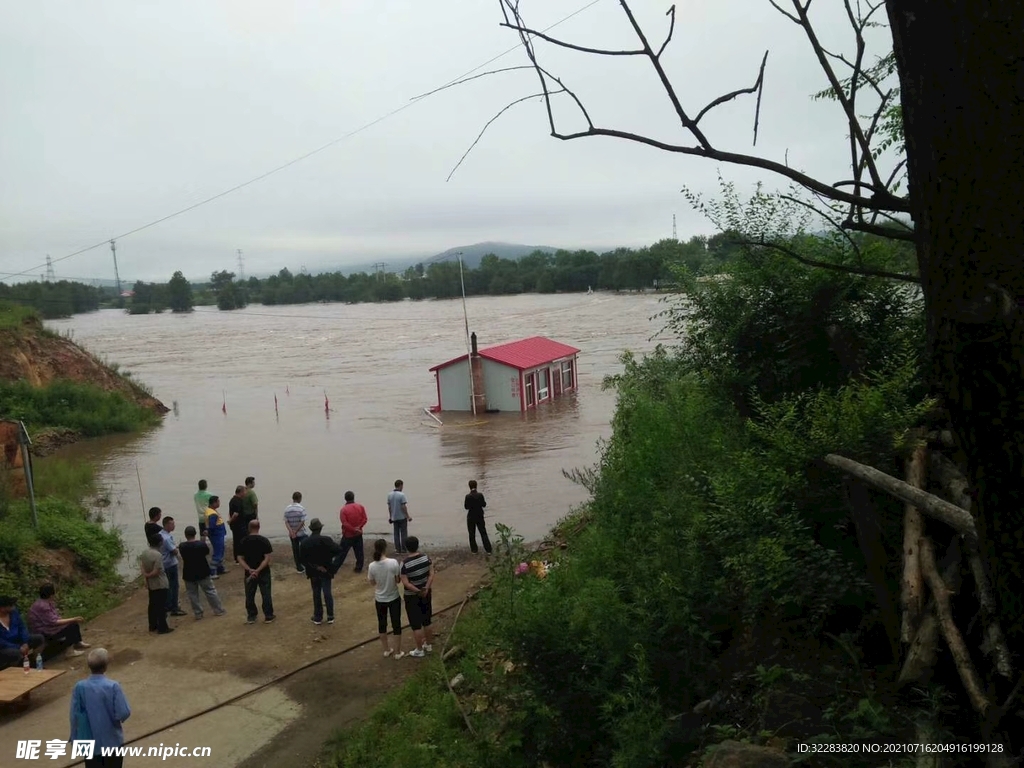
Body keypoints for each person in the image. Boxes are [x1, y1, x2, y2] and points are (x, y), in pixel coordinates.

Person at [69, 648, 131, 768]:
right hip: (111, 741)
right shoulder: (113, 686)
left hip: (90, 743)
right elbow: (123, 712)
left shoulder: (79, 687)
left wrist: (74, 736)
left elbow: (74, 715)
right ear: (105, 666)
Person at [28, 583, 91, 659]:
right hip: (44, 631)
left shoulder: (46, 602)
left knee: (72, 623)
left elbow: (55, 617)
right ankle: (69, 651)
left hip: (48, 627)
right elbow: (53, 622)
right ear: (51, 595)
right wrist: (73, 619)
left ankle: (77, 642)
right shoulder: (42, 606)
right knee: (71, 626)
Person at [179, 526, 226, 620]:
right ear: (195, 534)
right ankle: (218, 610)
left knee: (192, 594)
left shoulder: (182, 546)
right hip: (202, 571)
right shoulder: (201, 545)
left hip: (189, 572)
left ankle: (198, 613)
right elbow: (206, 552)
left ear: (185, 535)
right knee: (210, 591)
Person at [300, 518, 340, 625]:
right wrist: (329, 559)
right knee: (327, 592)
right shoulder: (326, 540)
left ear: (311, 529)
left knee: (316, 593)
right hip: (326, 570)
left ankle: (318, 617)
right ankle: (330, 616)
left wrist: (315, 567)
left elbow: (302, 560)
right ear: (320, 529)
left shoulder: (304, 542)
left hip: (313, 572)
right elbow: (338, 550)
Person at [368, 539, 403, 659]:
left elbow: (372, 583)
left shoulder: (372, 566)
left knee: (382, 624)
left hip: (380, 598)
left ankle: (386, 649)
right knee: (396, 624)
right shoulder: (393, 562)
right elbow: (398, 580)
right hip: (393, 597)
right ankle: (398, 651)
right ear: (385, 548)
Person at [399, 536, 434, 658]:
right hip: (426, 593)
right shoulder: (426, 558)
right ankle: (428, 645)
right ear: (417, 545)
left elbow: (405, 582)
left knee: (415, 624)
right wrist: (426, 588)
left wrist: (417, 591)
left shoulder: (404, 564)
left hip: (412, 596)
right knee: (427, 620)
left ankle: (419, 649)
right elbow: (431, 574)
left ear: (407, 548)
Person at [240, 519, 275, 624]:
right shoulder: (264, 540)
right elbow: (267, 558)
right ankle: (268, 615)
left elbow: (240, 558)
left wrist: (249, 569)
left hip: (249, 573)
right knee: (266, 593)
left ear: (249, 528)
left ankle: (251, 616)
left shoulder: (243, 541)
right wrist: (258, 570)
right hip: (263, 571)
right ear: (259, 528)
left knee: (250, 594)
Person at [138, 535, 172, 634]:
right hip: (160, 582)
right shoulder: (158, 555)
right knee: (161, 605)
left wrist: (146, 576)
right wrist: (150, 574)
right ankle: (162, 627)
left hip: (151, 583)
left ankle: (152, 625)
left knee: (152, 604)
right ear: (160, 543)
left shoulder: (144, 553)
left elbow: (142, 566)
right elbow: (157, 571)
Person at [0, 595, 45, 670]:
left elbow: (22, 627)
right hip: (4, 647)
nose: (13, 607)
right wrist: (17, 647)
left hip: (18, 640)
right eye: (10, 605)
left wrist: (25, 642)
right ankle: (16, 670)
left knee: (39, 638)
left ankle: (36, 662)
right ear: (2, 608)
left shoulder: (14, 613)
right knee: (15, 653)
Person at [159, 516, 186, 616]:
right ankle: (174, 607)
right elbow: (174, 551)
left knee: (167, 586)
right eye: (172, 524)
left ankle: (168, 605)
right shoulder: (166, 538)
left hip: (163, 563)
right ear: (166, 525)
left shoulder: (160, 535)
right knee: (174, 586)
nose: (174, 525)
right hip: (170, 564)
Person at [336, 490, 368, 573]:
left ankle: (335, 567)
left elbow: (344, 523)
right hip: (358, 533)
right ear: (353, 497)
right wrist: (359, 527)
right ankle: (359, 568)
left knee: (341, 553)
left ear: (345, 499)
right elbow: (365, 519)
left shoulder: (343, 510)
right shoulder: (360, 507)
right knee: (359, 552)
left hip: (348, 535)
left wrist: (353, 529)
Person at [464, 479, 493, 555]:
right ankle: (488, 550)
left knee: (472, 533)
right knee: (483, 532)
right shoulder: (480, 495)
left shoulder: (467, 496)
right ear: (476, 486)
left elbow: (466, 507)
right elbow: (484, 504)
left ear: (469, 487)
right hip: (479, 515)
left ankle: (474, 550)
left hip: (471, 517)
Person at [284, 491, 309, 574]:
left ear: (293, 498)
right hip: (301, 533)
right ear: (300, 498)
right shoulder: (301, 508)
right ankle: (306, 563)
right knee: (306, 547)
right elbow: (302, 522)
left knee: (295, 550)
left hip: (292, 534)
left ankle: (299, 567)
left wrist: (291, 531)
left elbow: (286, 521)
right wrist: (296, 531)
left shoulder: (287, 509)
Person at [204, 495, 228, 576]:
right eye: (218, 501)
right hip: (217, 534)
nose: (219, 503)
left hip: (218, 534)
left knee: (221, 551)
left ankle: (220, 568)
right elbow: (212, 526)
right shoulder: (212, 513)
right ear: (214, 503)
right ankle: (213, 572)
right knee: (218, 552)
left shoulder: (211, 510)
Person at [387, 479, 411, 555]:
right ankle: (404, 549)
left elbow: (390, 507)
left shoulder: (389, 495)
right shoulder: (402, 495)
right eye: (402, 485)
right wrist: (408, 516)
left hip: (394, 517)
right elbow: (403, 506)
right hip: (402, 517)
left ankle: (398, 549)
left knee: (396, 534)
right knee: (403, 533)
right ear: (400, 485)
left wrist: (390, 517)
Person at [228, 485, 248, 564]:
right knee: (241, 541)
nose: (245, 493)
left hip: (235, 525)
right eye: (245, 492)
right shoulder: (238, 501)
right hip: (239, 524)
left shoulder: (232, 500)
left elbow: (230, 512)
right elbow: (235, 513)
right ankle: (240, 557)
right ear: (241, 492)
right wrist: (230, 520)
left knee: (236, 540)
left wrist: (231, 521)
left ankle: (237, 558)